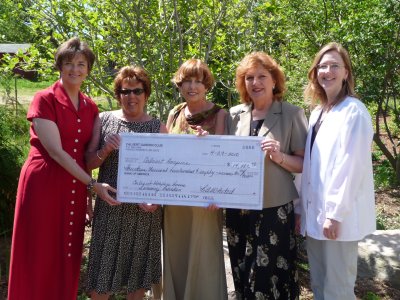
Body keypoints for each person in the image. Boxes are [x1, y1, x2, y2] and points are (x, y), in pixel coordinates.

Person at [7, 37, 119, 300]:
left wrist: (90, 186)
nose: (75, 69)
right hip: (44, 182)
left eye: (81, 64)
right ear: (59, 66)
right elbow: (56, 152)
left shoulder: (90, 105)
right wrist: (92, 185)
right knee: (39, 250)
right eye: (69, 63)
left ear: (89, 69)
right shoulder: (44, 98)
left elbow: (87, 155)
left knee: (67, 250)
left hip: (74, 184)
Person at [225, 52, 308, 300]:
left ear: (274, 80)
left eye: (262, 76)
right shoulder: (233, 114)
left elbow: (303, 164)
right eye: (249, 77)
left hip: (274, 211)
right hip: (238, 209)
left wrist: (280, 156)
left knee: (267, 276)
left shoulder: (292, 114)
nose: (255, 82)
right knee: (242, 271)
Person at [300, 42, 375, 300]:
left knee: (338, 289)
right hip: (316, 216)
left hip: (336, 219)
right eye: (322, 66)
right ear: (315, 73)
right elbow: (311, 167)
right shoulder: (318, 113)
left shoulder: (354, 112)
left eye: (335, 66)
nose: (327, 71)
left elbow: (351, 168)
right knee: (320, 284)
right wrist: (303, 210)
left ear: (346, 73)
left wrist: (335, 214)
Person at [85, 65, 167, 300]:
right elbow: (88, 164)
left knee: (136, 280)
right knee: (101, 279)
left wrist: (156, 200)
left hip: (144, 214)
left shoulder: (159, 128)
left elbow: (166, 175)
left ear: (146, 94)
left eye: (137, 91)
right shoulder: (103, 120)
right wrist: (105, 149)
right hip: (111, 210)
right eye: (125, 91)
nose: (131, 97)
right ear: (118, 94)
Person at [163, 58, 228, 300]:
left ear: (206, 85)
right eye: (187, 81)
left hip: (205, 201)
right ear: (179, 85)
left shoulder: (220, 114)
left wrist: (207, 144)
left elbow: (223, 159)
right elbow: (165, 152)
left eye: (198, 81)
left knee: (204, 255)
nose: (192, 87)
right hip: (175, 201)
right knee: (176, 253)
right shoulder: (174, 112)